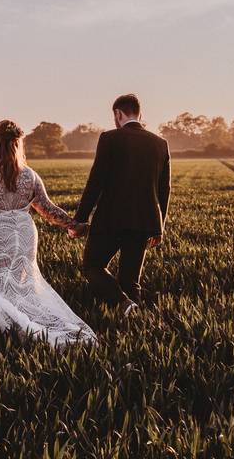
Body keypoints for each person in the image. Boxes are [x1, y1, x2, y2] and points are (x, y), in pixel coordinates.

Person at [0, 119, 95, 347]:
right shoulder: (30, 175)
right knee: (24, 283)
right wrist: (72, 224)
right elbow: (48, 210)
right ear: (19, 144)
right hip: (24, 232)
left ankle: (7, 327)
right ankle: (29, 323)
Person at [71, 94, 171, 315]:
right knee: (130, 279)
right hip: (145, 222)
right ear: (139, 113)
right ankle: (135, 327)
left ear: (118, 114)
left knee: (93, 267)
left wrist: (80, 218)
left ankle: (123, 303)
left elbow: (95, 182)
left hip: (111, 219)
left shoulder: (110, 138)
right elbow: (164, 190)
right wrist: (159, 227)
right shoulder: (160, 144)